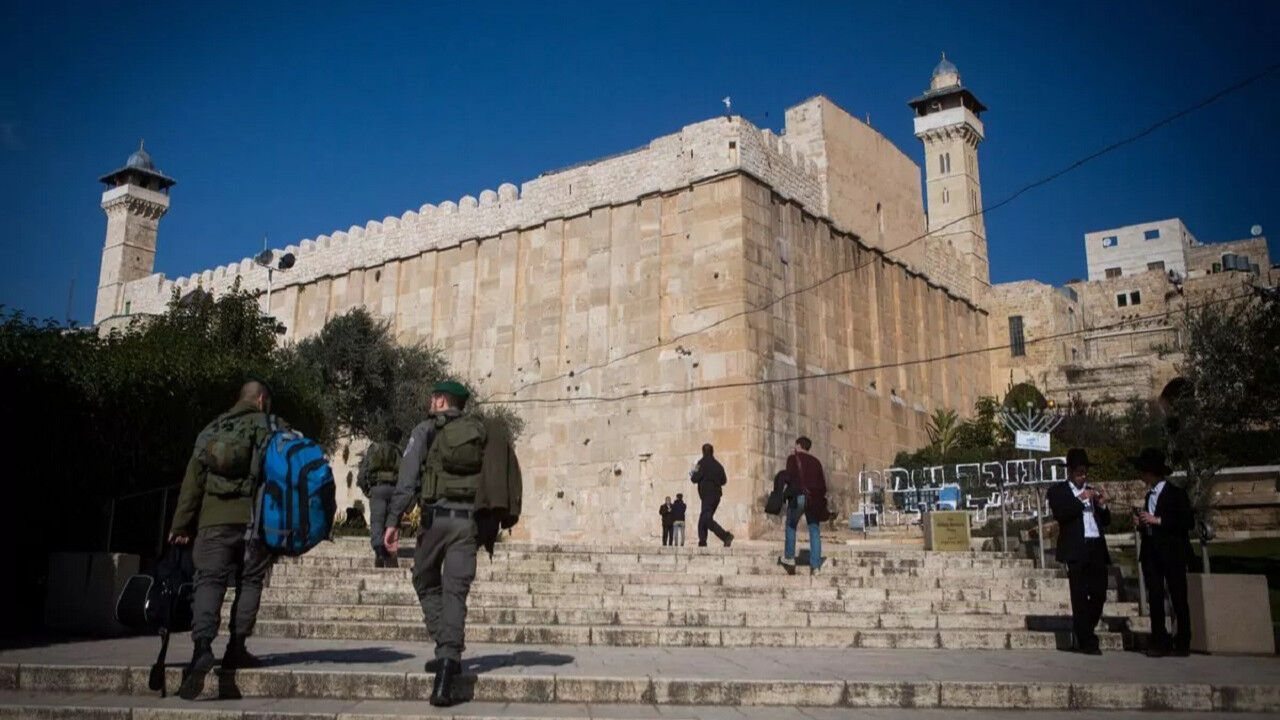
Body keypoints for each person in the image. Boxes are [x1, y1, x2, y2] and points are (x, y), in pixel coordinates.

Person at [384, 380, 522, 707]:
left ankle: (445, 648)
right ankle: (447, 662)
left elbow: (407, 480)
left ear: (442, 401)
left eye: (434, 397)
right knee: (455, 592)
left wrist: (392, 521)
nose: (430, 402)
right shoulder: (481, 433)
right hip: (467, 525)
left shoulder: (425, 430)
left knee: (424, 579)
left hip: (434, 522)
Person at [168, 379, 284, 700]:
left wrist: (181, 524)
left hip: (213, 520)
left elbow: (193, 481)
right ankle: (236, 647)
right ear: (261, 400)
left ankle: (202, 648)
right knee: (250, 581)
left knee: (208, 581)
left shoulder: (212, 429)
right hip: (255, 522)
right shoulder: (272, 428)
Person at [1046, 448, 1111, 655]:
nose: (1083, 476)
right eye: (1079, 472)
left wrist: (1102, 506)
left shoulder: (1092, 491)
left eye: (1085, 472)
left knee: (1099, 593)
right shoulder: (1059, 492)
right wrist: (1081, 499)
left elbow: (1106, 521)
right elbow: (1062, 514)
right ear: (1071, 472)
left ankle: (1083, 630)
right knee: (1080, 595)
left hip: (1096, 546)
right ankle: (1087, 640)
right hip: (1076, 548)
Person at [1133, 447, 1194, 657]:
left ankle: (1183, 641)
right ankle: (1159, 640)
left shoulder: (1175, 493)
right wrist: (1143, 523)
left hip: (1172, 553)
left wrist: (1157, 520)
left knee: (1178, 597)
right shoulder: (1149, 495)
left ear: (1151, 472)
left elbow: (1186, 521)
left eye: (1142, 471)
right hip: (1152, 553)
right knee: (1156, 597)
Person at [780, 437, 828, 575]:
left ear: (798, 445)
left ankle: (789, 558)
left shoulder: (793, 458)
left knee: (791, 525)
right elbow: (823, 485)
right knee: (814, 529)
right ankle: (815, 566)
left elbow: (789, 478)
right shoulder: (816, 462)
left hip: (799, 496)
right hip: (814, 499)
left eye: (796, 445)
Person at [358, 427, 404, 567]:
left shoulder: (375, 449)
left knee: (377, 521)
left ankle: (379, 550)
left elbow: (362, 473)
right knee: (392, 521)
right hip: (395, 489)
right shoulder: (400, 452)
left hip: (377, 488)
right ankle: (390, 553)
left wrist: (368, 490)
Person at [691, 444, 733, 547]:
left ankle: (725, 536)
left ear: (703, 452)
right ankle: (702, 541)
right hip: (716, 496)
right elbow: (724, 481)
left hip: (707, 496)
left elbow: (694, 479)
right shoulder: (718, 465)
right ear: (712, 452)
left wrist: (693, 469)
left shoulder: (700, 464)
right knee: (704, 518)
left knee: (706, 519)